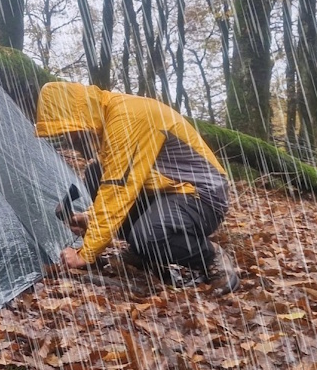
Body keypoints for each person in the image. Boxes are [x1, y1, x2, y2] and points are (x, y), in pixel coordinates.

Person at [35, 82, 240, 294]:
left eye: (71, 132)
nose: (71, 139)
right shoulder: (109, 119)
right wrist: (90, 217)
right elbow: (117, 181)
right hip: (167, 192)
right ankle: (145, 252)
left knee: (149, 235)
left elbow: (119, 189)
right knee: (97, 172)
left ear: (79, 115)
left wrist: (85, 254)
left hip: (202, 196)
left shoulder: (127, 119)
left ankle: (210, 256)